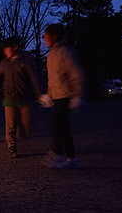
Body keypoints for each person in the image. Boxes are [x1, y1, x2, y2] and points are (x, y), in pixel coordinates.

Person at [0, 37, 44, 158]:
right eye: (4, 50)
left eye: (7, 49)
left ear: (15, 48)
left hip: (24, 97)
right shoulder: (5, 62)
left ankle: (23, 134)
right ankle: (11, 145)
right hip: (9, 97)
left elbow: (34, 78)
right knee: (10, 123)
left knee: (26, 122)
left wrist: (40, 93)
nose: (5, 52)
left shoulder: (26, 61)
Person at [42, 23, 84, 169]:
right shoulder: (51, 55)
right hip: (57, 96)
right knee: (64, 128)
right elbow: (51, 78)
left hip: (66, 95)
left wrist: (77, 95)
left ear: (54, 36)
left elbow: (76, 74)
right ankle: (71, 158)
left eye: (45, 36)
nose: (44, 39)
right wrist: (48, 94)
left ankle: (56, 152)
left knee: (55, 123)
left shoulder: (66, 52)